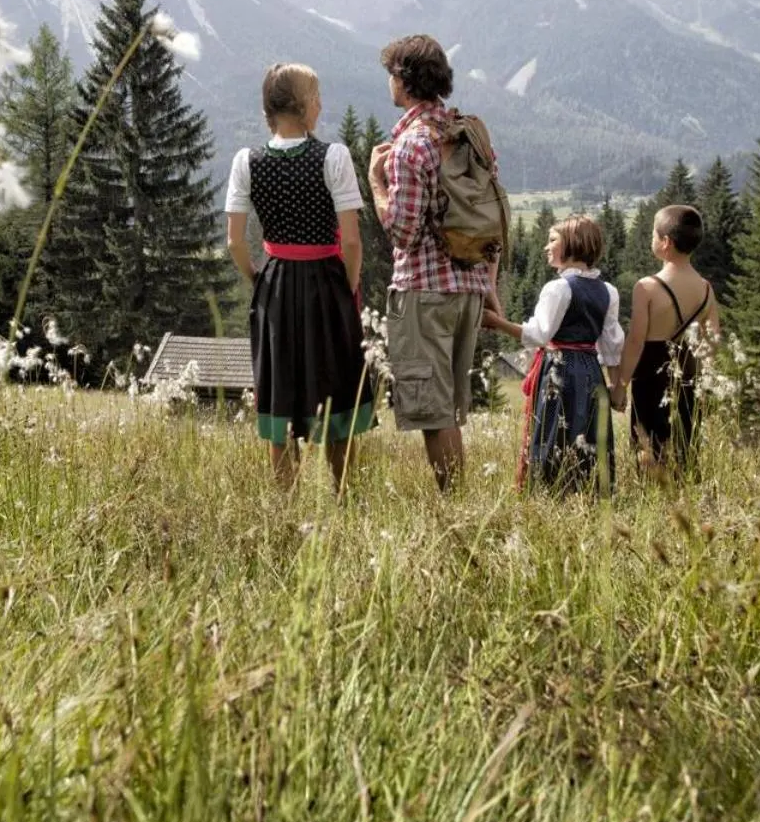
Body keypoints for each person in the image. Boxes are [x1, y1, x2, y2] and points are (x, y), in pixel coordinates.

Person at [226, 63, 376, 491]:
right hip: (326, 282)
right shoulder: (333, 157)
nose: (321, 105)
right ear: (303, 105)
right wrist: (347, 287)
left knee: (281, 394)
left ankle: (284, 505)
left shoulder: (246, 161)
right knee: (337, 390)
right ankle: (344, 496)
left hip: (274, 286)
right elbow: (352, 242)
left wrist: (259, 280)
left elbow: (235, 242)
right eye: (316, 97)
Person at [366, 34, 499, 492]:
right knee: (450, 409)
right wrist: (489, 285)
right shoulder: (472, 135)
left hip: (424, 292)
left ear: (403, 81)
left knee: (433, 412)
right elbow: (492, 215)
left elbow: (403, 232)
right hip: (469, 290)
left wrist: (376, 185)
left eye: (391, 74)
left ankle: (455, 504)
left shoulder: (411, 145)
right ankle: (457, 500)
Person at [482, 214, 624, 494]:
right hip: (591, 371)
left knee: (554, 431)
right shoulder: (608, 291)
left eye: (552, 240)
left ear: (573, 243)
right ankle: (590, 490)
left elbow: (538, 335)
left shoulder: (558, 288)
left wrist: (496, 322)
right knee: (588, 431)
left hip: (559, 369)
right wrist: (618, 387)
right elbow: (612, 347)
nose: (546, 247)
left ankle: (549, 490)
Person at [612, 204, 720, 473]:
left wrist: (621, 385)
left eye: (653, 234)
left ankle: (652, 491)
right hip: (688, 375)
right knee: (685, 445)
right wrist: (706, 385)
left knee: (649, 449)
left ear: (665, 242)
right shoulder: (706, 289)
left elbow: (636, 340)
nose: (651, 238)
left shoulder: (647, 287)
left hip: (651, 377)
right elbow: (712, 342)